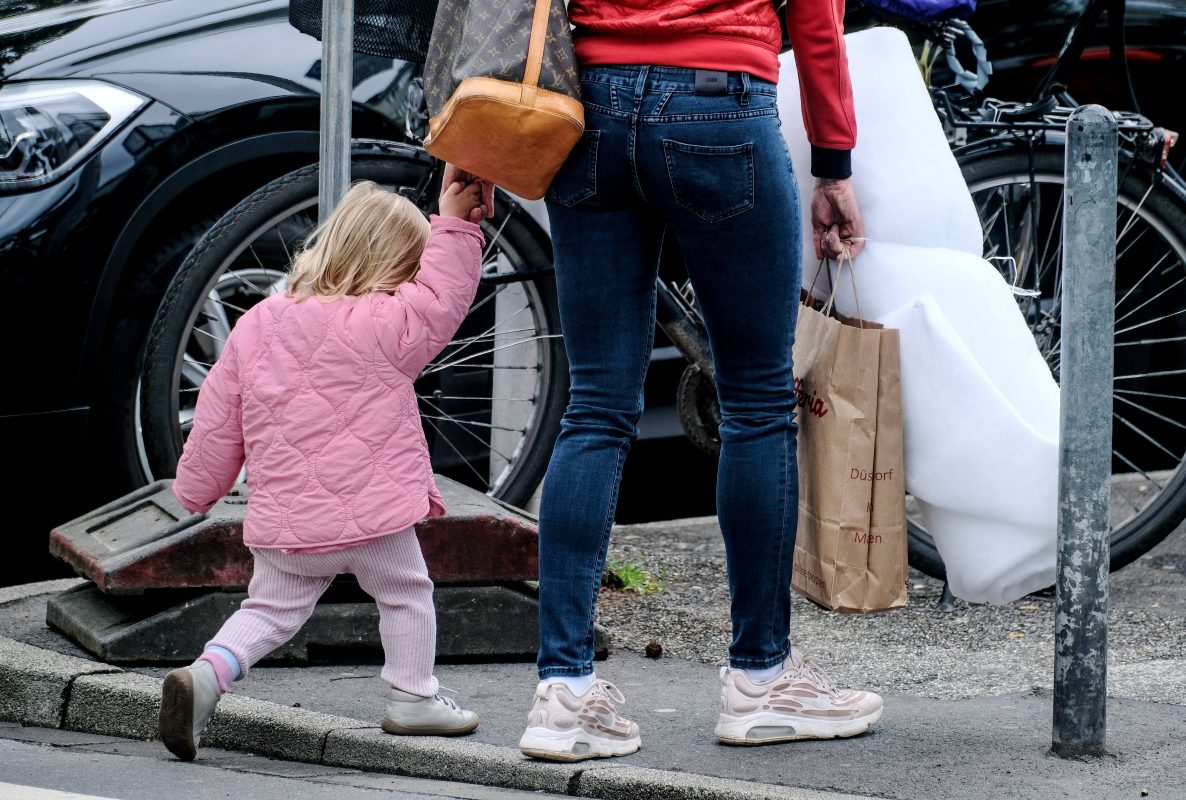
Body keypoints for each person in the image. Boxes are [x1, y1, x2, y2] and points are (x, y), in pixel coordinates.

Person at [517, 0, 882, 761]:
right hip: (718, 101)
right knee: (755, 402)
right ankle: (761, 678)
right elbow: (815, 14)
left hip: (591, 103)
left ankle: (564, 695)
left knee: (594, 408)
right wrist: (834, 158)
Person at [158, 171, 491, 762]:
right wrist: (458, 225)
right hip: (375, 517)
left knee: (268, 610)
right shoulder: (389, 323)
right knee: (407, 592)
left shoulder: (258, 323)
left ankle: (209, 674)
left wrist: (196, 491)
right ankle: (413, 697)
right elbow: (443, 298)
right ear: (395, 268)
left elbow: (217, 417)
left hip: (290, 522)